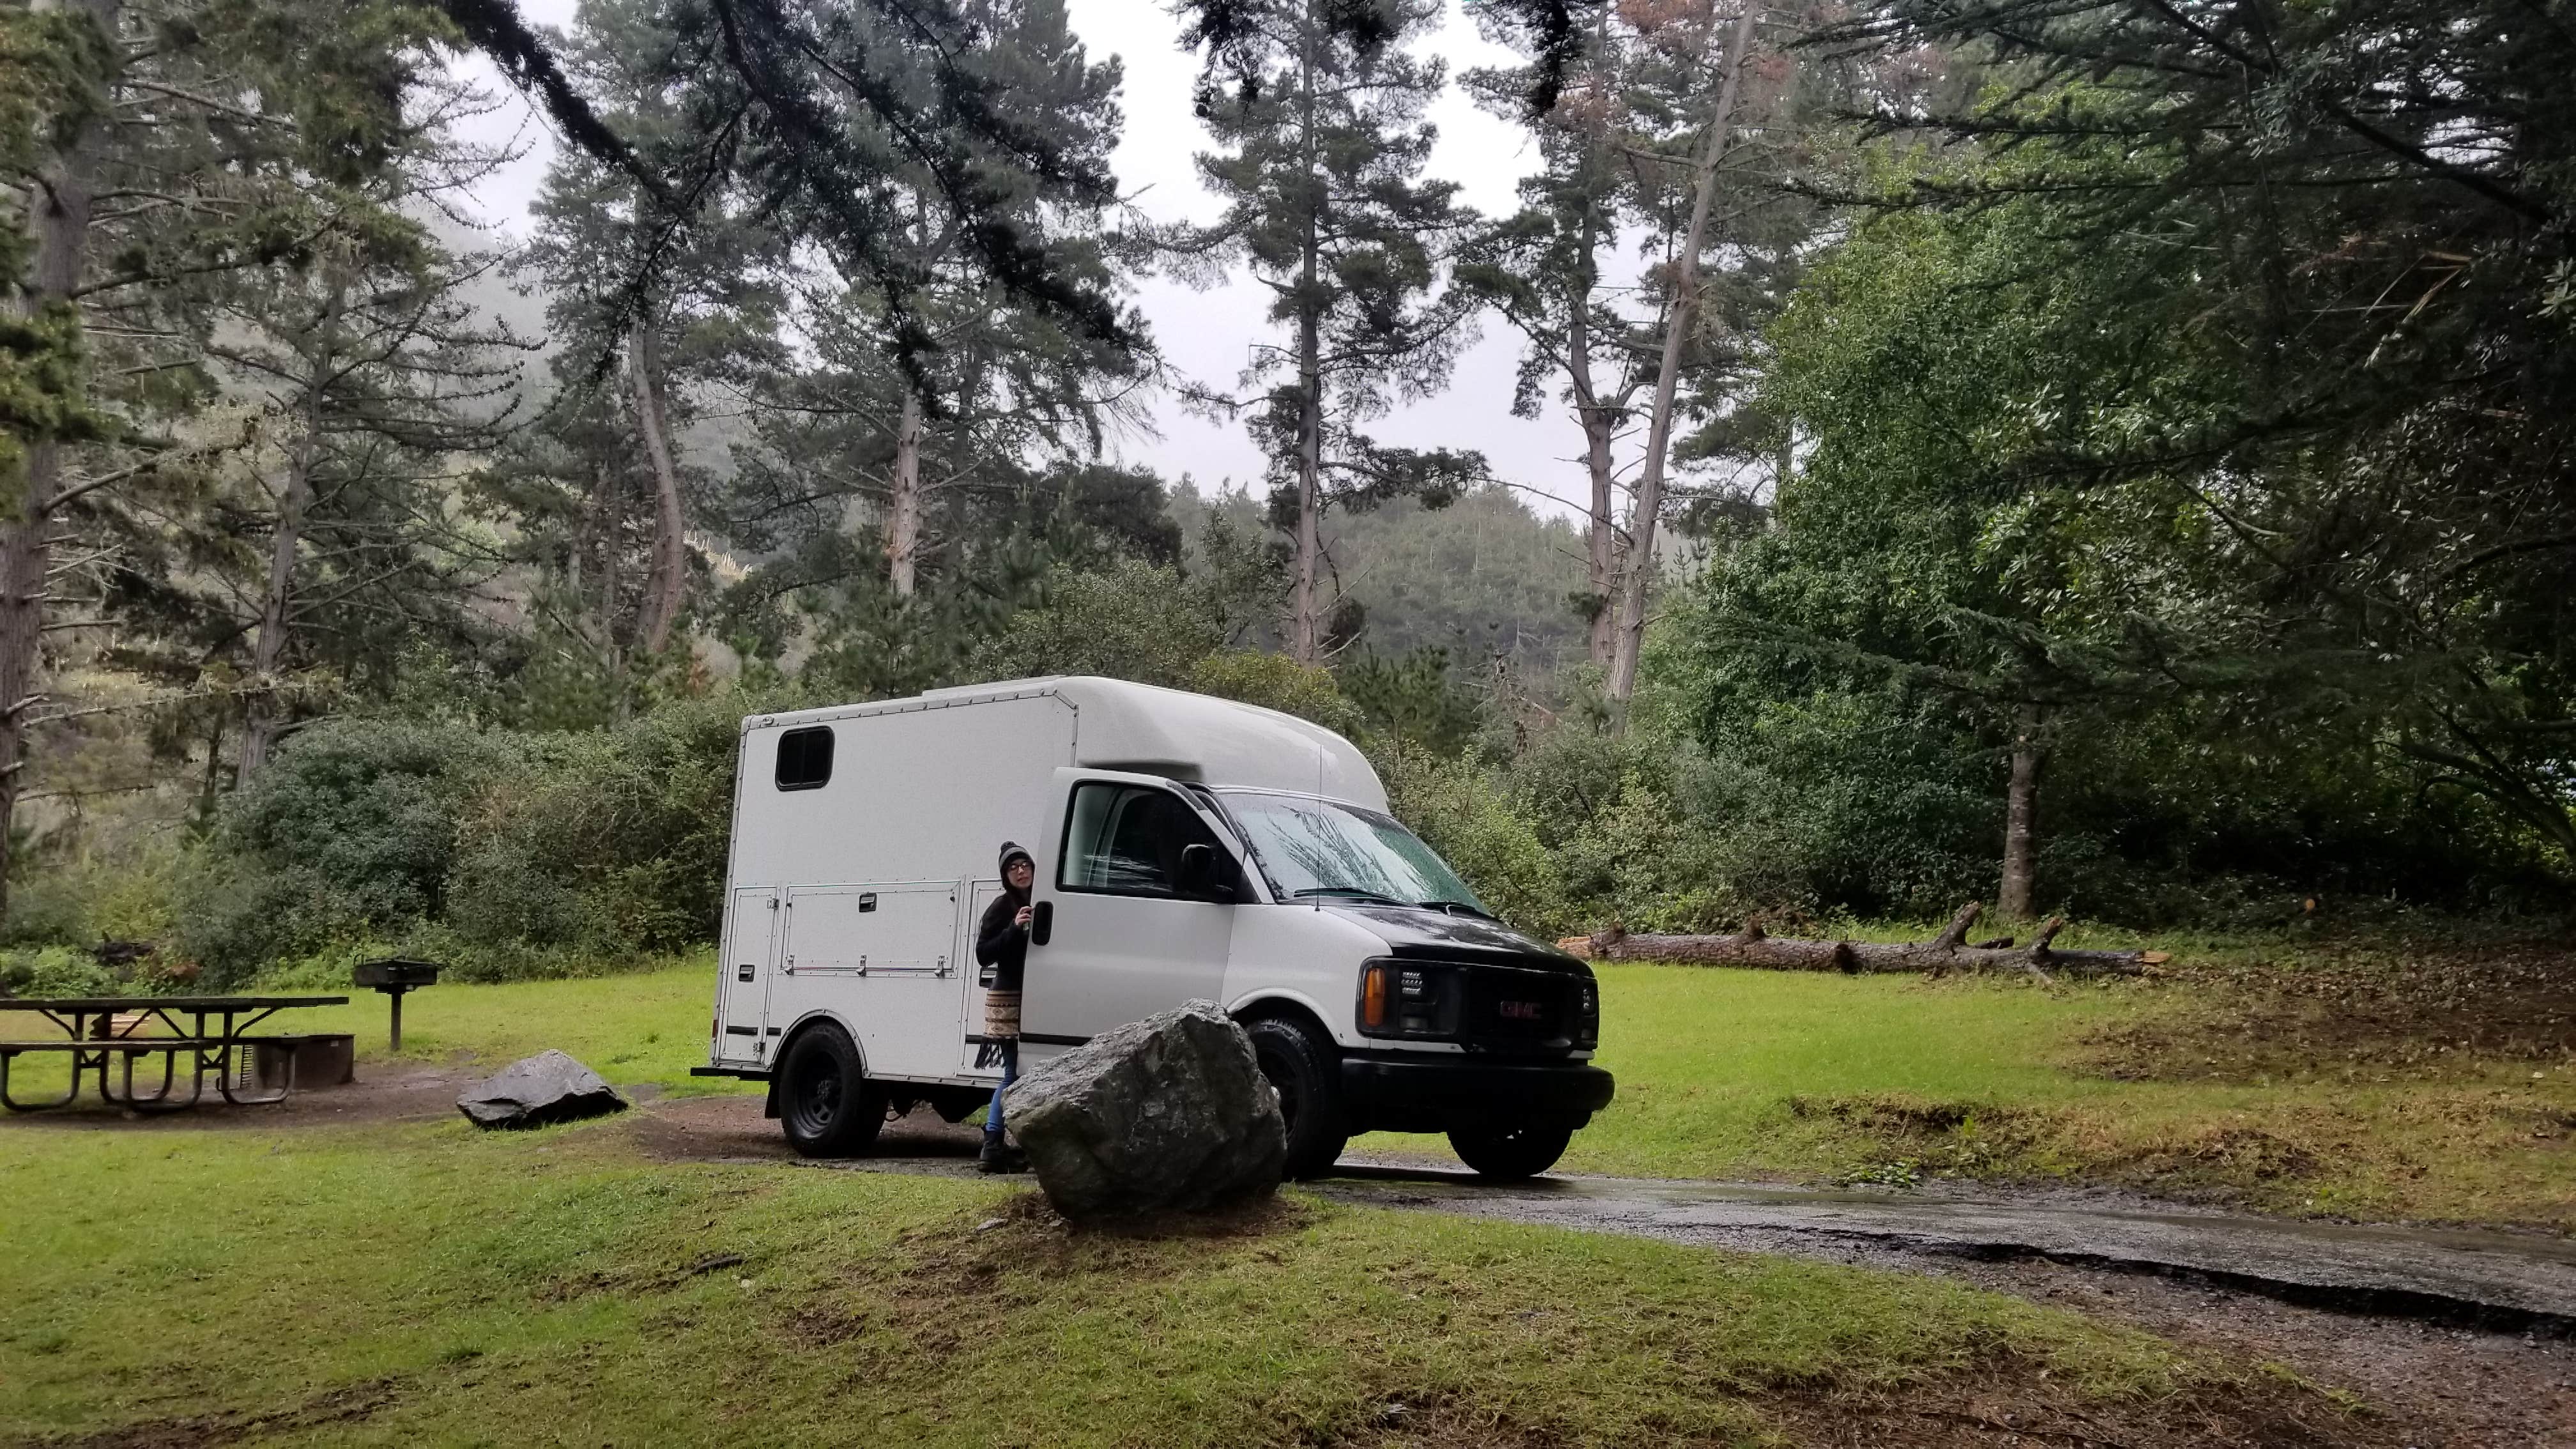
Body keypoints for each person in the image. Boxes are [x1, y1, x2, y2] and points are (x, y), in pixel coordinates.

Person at [972, 841, 1036, 1174]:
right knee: (1012, 1073)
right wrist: (1013, 928)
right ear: (1005, 876)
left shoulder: (1043, 900)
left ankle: (999, 1143)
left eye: (1025, 865)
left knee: (1020, 1072)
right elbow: (983, 953)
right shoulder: (1002, 906)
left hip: (1032, 996)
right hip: (1007, 998)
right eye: (1013, 868)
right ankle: (992, 1145)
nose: (1021, 871)